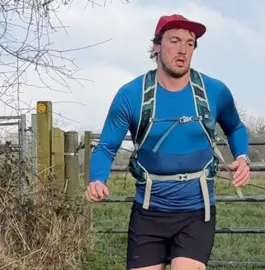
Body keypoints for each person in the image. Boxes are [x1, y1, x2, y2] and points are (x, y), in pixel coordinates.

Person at [84, 14, 251, 270]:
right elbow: (106, 147)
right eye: (174, 41)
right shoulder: (131, 95)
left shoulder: (214, 91)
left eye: (190, 43)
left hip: (197, 212)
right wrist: (97, 179)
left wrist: (242, 158)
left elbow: (236, 127)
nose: (183, 50)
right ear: (157, 46)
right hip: (148, 213)